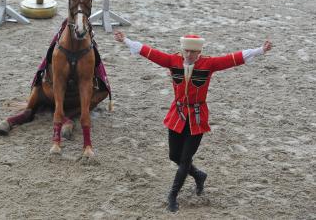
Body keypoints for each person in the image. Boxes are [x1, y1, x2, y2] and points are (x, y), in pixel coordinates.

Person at [114, 30, 272, 213]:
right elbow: (149, 52)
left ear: (199, 52)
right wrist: (125, 40)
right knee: (174, 156)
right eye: (186, 51)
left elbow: (234, 58)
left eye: (192, 52)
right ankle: (198, 175)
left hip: (197, 118)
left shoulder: (209, 63)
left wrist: (261, 50)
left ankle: (172, 195)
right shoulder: (172, 60)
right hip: (177, 114)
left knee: (185, 158)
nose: (188, 55)